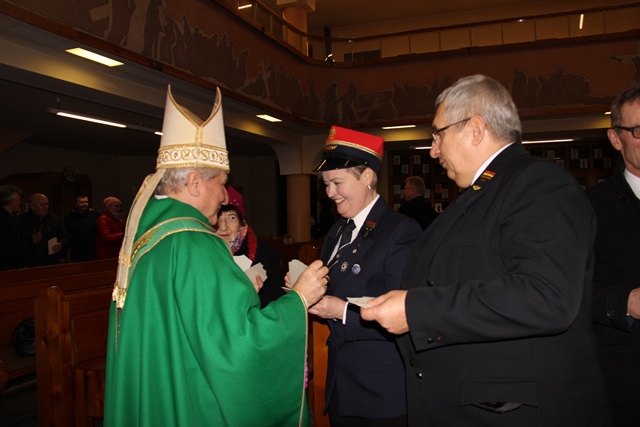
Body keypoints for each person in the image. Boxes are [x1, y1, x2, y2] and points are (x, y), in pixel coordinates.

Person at [361, 75, 611, 426]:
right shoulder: (484, 192)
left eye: (438, 134)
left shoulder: (538, 184)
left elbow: (547, 296)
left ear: (475, 129)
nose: (433, 150)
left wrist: (416, 310)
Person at [104, 85, 329, 427]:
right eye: (222, 183)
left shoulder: (149, 237)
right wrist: (299, 298)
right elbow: (238, 345)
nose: (225, 197)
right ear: (195, 183)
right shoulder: (196, 244)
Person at [311, 126, 421, 425]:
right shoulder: (338, 230)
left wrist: (341, 311)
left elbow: (406, 313)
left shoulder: (400, 231)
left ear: (367, 177)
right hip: (341, 381)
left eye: (337, 182)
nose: (329, 193)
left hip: (379, 389)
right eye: (326, 184)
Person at [586, 82, 640, 426]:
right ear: (615, 139)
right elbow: (567, 292)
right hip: (625, 384)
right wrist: (626, 303)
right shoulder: (589, 208)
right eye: (639, 131)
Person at [215, 185, 286, 308]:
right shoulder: (202, 253)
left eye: (231, 218)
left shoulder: (266, 255)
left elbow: (276, 300)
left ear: (241, 223)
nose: (223, 226)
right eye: (218, 218)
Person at [18, 193, 68, 266]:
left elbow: (65, 236)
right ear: (32, 206)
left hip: (52, 261)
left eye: (47, 204)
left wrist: (60, 244)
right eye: (42, 204)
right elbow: (17, 244)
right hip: (30, 263)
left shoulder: (55, 219)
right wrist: (31, 240)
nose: (46, 207)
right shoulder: (21, 221)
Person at [0, 184, 30, 270]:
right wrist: (25, 253)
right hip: (6, 265)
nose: (20, 203)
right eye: (19, 200)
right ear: (12, 201)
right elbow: (6, 245)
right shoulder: (3, 219)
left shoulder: (12, 217)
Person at [64, 193, 100, 262]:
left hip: (92, 251)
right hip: (77, 252)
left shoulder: (95, 215)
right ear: (75, 204)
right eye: (81, 202)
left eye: (86, 202)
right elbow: (67, 236)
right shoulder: (69, 218)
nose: (84, 204)